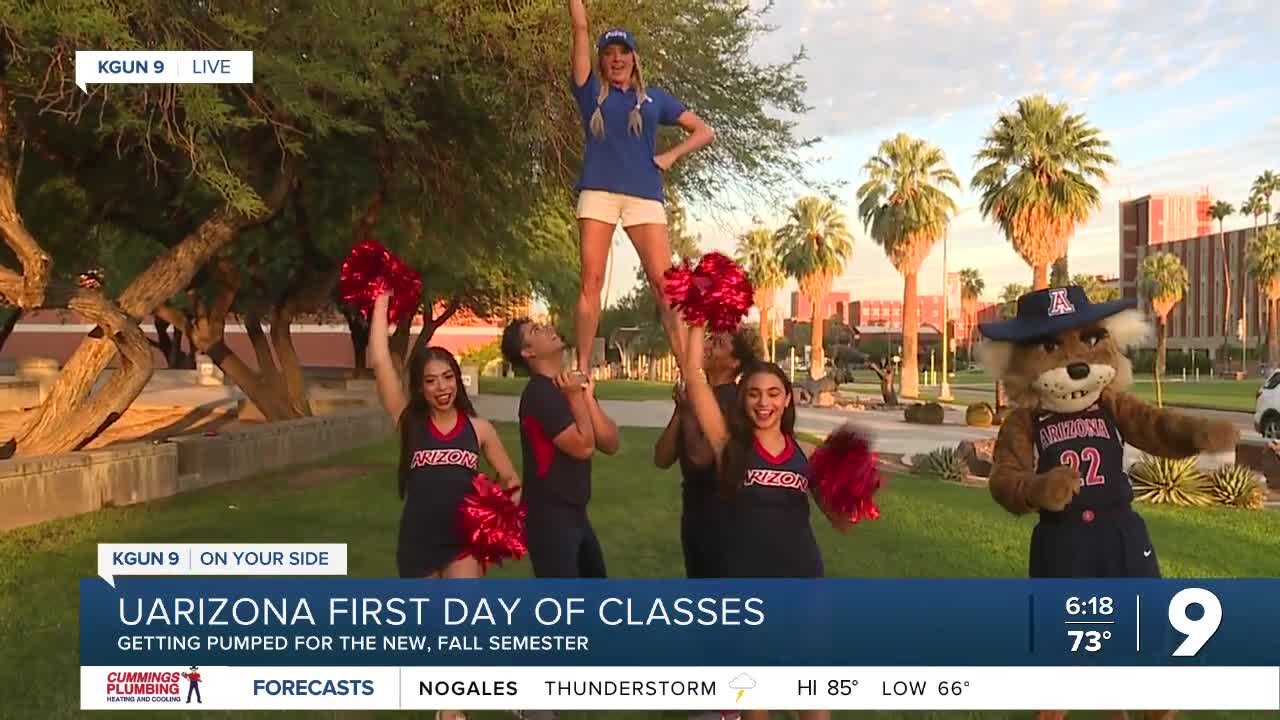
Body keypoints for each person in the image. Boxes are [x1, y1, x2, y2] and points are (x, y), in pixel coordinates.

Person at [675, 323, 848, 720]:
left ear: (787, 399)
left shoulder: (805, 452)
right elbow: (694, 379)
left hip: (803, 583)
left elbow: (840, 522)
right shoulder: (728, 445)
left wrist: (854, 494)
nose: (763, 402)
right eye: (753, 394)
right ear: (742, 399)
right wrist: (698, 322)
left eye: (773, 393)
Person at [566, 0, 716, 375]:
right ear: (601, 61)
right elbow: (580, 30)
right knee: (591, 279)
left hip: (644, 196)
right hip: (598, 193)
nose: (616, 59)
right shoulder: (590, 93)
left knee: (665, 286)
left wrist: (671, 157)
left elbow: (704, 131)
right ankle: (583, 369)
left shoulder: (655, 99)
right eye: (609, 54)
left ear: (634, 58)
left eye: (623, 52)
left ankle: (689, 373)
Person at [501, 317, 619, 578]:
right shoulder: (539, 395)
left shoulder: (567, 386)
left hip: (576, 515)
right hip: (549, 520)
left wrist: (586, 397)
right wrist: (576, 397)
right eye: (536, 330)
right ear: (528, 352)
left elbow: (610, 443)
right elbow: (584, 446)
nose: (548, 329)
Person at [654, 329, 758, 579]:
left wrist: (689, 411)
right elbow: (662, 458)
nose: (708, 345)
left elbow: (700, 459)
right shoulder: (696, 399)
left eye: (718, 343)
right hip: (694, 513)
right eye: (710, 339)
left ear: (734, 362)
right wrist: (681, 411)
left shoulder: (734, 402)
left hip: (722, 517)